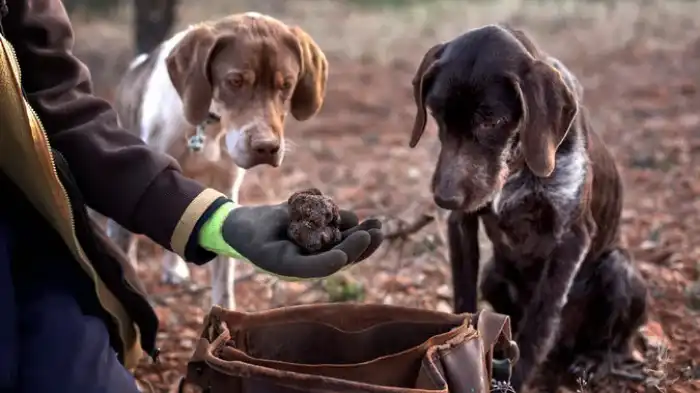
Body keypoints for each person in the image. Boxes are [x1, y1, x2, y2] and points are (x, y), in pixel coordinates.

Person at [0, 0, 384, 391]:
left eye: (283, 88)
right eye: (237, 83)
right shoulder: (166, 104)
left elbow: (69, 118)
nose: (268, 134)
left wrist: (223, 223)